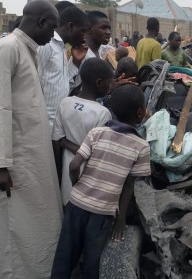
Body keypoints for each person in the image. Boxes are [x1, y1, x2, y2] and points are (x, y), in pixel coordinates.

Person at [0, 0, 63, 278]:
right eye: (53, 28)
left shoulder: (26, 50)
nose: (53, 35)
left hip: (26, 154)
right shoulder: (7, 48)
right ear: (42, 22)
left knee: (27, 223)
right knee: (7, 224)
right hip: (11, 160)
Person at [51, 84, 150, 278]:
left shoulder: (96, 133)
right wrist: (121, 219)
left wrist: (76, 185)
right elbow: (129, 185)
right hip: (102, 213)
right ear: (140, 113)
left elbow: (74, 166)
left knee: (64, 255)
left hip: (76, 204)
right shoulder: (141, 146)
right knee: (92, 261)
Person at [52, 58, 113, 205]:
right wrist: (83, 151)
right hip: (90, 173)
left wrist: (66, 143)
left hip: (67, 167)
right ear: (99, 83)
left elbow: (58, 139)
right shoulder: (102, 113)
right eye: (109, 82)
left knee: (68, 204)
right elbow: (98, 152)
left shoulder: (65, 102)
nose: (111, 86)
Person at [37, 4, 89, 130]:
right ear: (70, 26)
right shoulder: (47, 45)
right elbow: (33, 85)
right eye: (83, 31)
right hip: (43, 125)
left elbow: (63, 86)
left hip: (56, 125)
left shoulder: (62, 49)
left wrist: (75, 63)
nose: (84, 37)